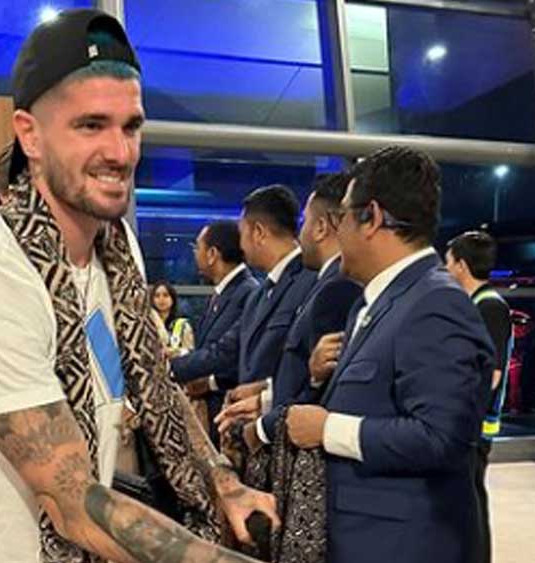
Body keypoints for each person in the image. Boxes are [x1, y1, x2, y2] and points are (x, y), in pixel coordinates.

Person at [0, 9, 276, 563]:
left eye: (130, 126)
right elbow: (72, 502)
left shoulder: (117, 247)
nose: (120, 152)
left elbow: (155, 381)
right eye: (90, 126)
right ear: (30, 135)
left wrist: (224, 482)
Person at [286, 146, 494, 563]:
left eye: (343, 217)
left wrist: (328, 429)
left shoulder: (436, 303)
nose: (338, 232)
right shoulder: (376, 303)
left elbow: (442, 438)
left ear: (373, 218)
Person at [219, 173, 362, 451]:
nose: (300, 233)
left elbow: (322, 388)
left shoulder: (336, 289)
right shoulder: (322, 283)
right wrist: (266, 395)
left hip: (298, 443)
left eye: (305, 222)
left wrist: (261, 428)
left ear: (321, 227)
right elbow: (304, 371)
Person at [173, 185, 317, 436]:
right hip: (251, 434)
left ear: (258, 232)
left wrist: (265, 396)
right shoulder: (260, 294)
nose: (240, 245)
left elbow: (308, 369)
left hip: (285, 431)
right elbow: (229, 349)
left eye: (242, 233)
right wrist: (168, 367)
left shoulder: (311, 282)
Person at [446, 230, 513, 563]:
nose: (445, 269)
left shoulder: (489, 307)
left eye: (448, 262)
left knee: (472, 501)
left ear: (461, 265)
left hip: (474, 427)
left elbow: (491, 375)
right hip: (469, 424)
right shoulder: (478, 304)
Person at [171, 220, 258, 444]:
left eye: (197, 247)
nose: (195, 254)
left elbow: (233, 354)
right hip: (211, 414)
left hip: (231, 416)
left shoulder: (249, 293)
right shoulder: (221, 293)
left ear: (212, 254)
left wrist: (208, 381)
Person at [150, 281, 194, 357]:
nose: (161, 299)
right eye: (157, 296)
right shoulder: (148, 323)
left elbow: (190, 351)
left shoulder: (183, 325)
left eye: (165, 295)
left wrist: (176, 352)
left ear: (172, 299)